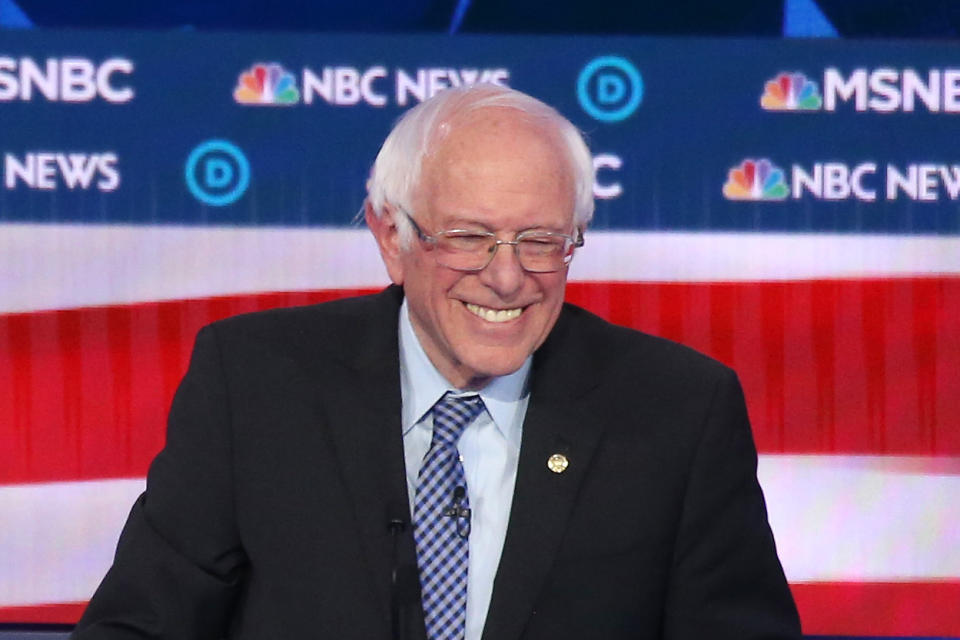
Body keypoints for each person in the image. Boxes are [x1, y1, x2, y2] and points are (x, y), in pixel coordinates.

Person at [74, 84, 801, 640]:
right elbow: (138, 629)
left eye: (541, 241)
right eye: (469, 237)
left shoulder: (677, 411)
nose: (508, 277)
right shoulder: (256, 384)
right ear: (391, 237)